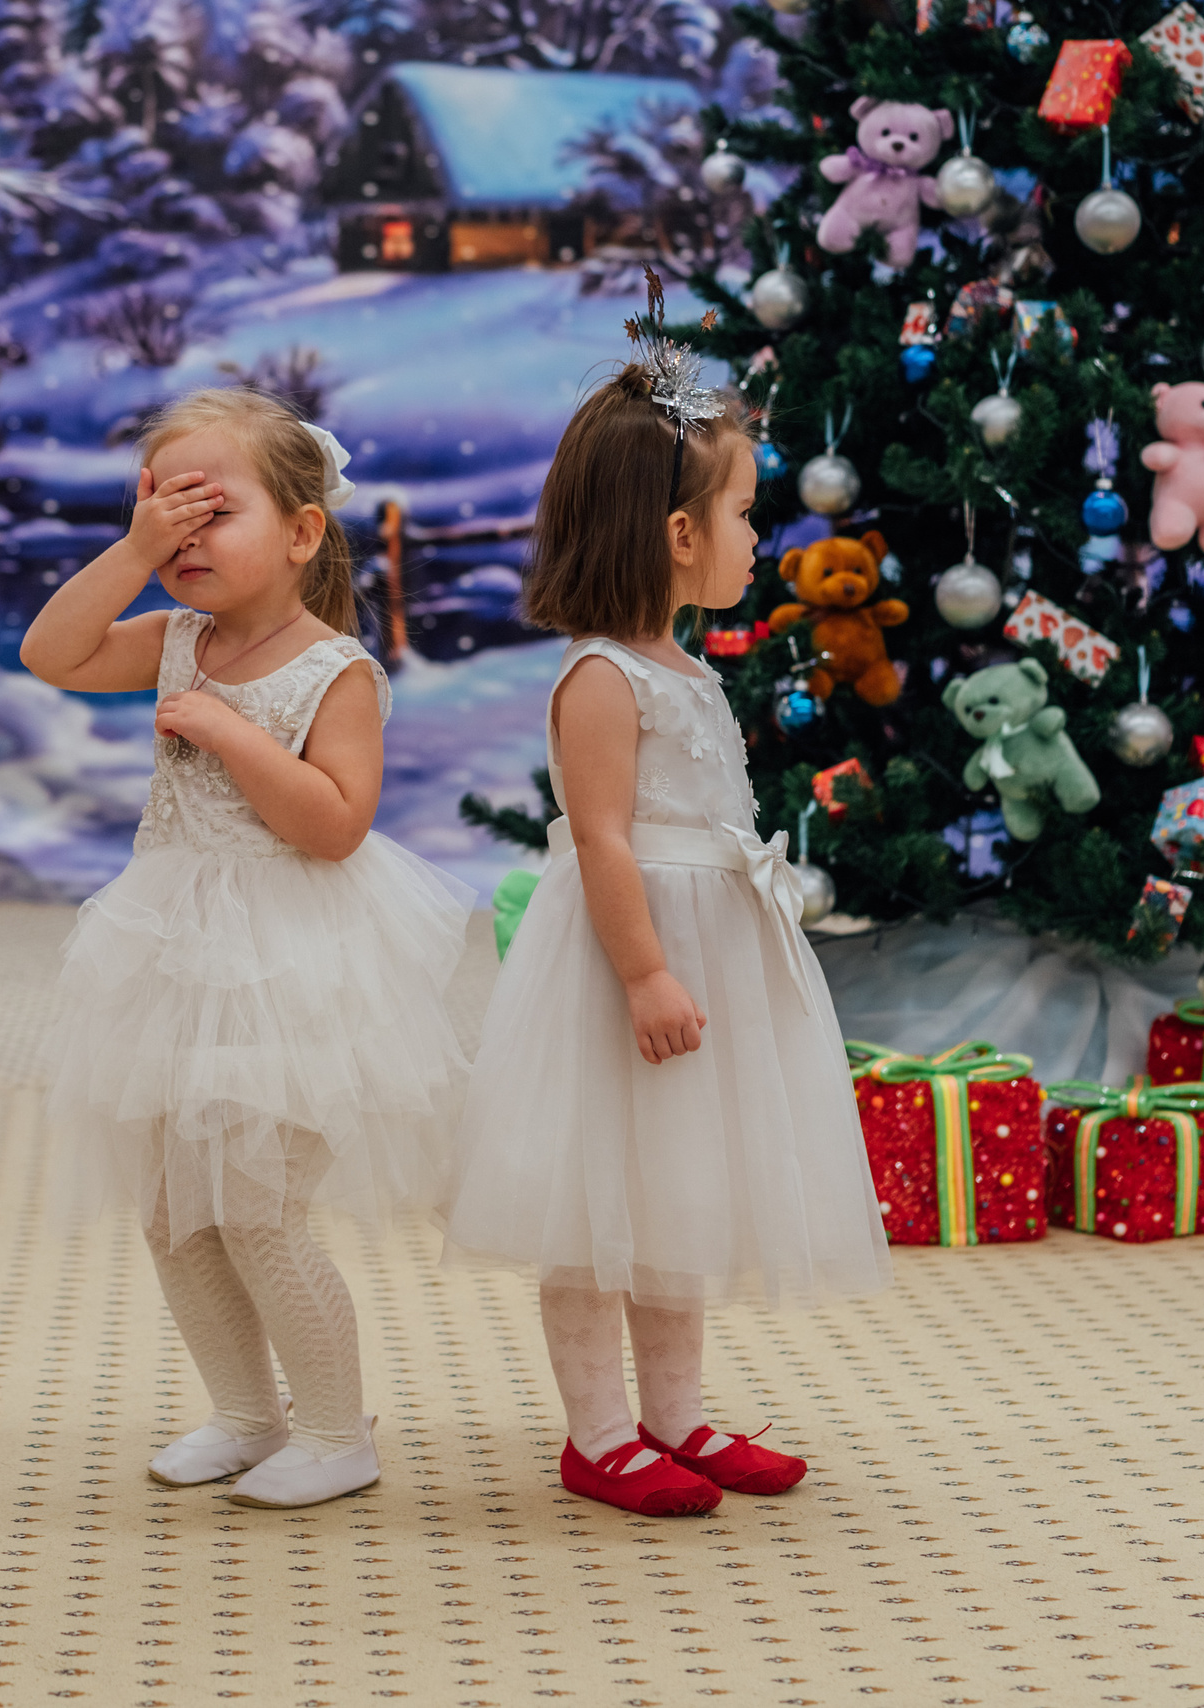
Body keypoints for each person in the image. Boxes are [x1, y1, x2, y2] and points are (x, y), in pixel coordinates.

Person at [438, 300, 892, 1517]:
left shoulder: (688, 667)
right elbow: (600, 840)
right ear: (681, 534)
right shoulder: (601, 676)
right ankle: (596, 1432)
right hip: (623, 964)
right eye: (747, 513)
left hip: (707, 951)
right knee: (599, 1197)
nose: (761, 535)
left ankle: (677, 1413)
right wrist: (644, 971)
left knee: (679, 1185)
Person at [20, 386, 470, 1511]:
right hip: (171, 959)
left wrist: (226, 725)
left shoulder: (334, 671)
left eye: (209, 512)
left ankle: (333, 1430)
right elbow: (53, 652)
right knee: (175, 1209)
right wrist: (131, 553)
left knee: (260, 1210)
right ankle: (247, 1411)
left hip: (291, 968)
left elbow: (333, 824)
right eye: (164, 510)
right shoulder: (177, 639)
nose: (183, 536)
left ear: (303, 532)